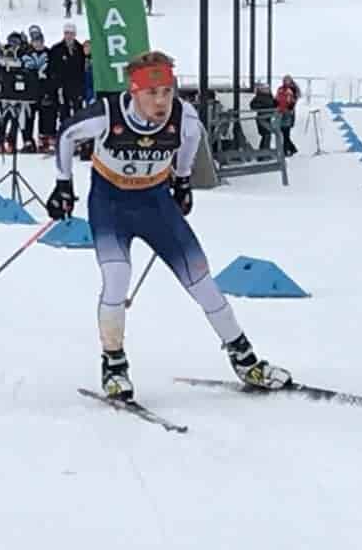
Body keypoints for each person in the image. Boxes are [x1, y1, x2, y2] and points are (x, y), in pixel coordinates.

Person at [45, 51, 291, 400]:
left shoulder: (184, 116)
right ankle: (114, 364)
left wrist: (183, 179)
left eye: (167, 92)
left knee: (202, 281)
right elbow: (67, 134)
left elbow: (192, 140)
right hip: (110, 205)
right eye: (151, 93)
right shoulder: (109, 114)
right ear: (134, 92)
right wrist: (63, 184)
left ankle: (245, 359)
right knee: (117, 277)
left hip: (156, 204)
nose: (161, 101)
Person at [25, 25, 57, 153]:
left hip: (45, 90)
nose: (37, 44)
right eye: (35, 41)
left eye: (39, 41)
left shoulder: (49, 54)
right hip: (30, 91)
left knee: (46, 116)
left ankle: (44, 140)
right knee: (29, 117)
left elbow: (54, 70)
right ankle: (28, 140)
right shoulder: (27, 54)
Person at [50, 22, 87, 131]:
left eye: (71, 33)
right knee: (63, 111)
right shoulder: (57, 49)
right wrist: (56, 83)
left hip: (77, 85)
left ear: (75, 34)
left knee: (78, 111)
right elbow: (52, 68)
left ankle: (79, 134)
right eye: (67, 33)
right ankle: (64, 132)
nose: (69, 36)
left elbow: (83, 67)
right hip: (62, 85)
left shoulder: (80, 49)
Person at [275, 75, 299, 157]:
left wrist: (289, 109)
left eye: (287, 80)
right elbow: (277, 99)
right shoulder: (280, 89)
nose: (286, 82)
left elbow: (293, 101)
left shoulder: (292, 90)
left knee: (286, 132)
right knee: (283, 132)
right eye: (285, 80)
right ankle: (292, 148)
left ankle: (286, 151)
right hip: (280, 112)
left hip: (288, 113)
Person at [249, 82, 276, 151]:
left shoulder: (271, 97)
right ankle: (264, 152)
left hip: (268, 118)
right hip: (262, 118)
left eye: (267, 88)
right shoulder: (258, 97)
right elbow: (253, 106)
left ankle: (265, 151)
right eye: (264, 89)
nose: (266, 90)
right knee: (266, 134)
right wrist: (263, 108)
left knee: (267, 135)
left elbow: (275, 105)